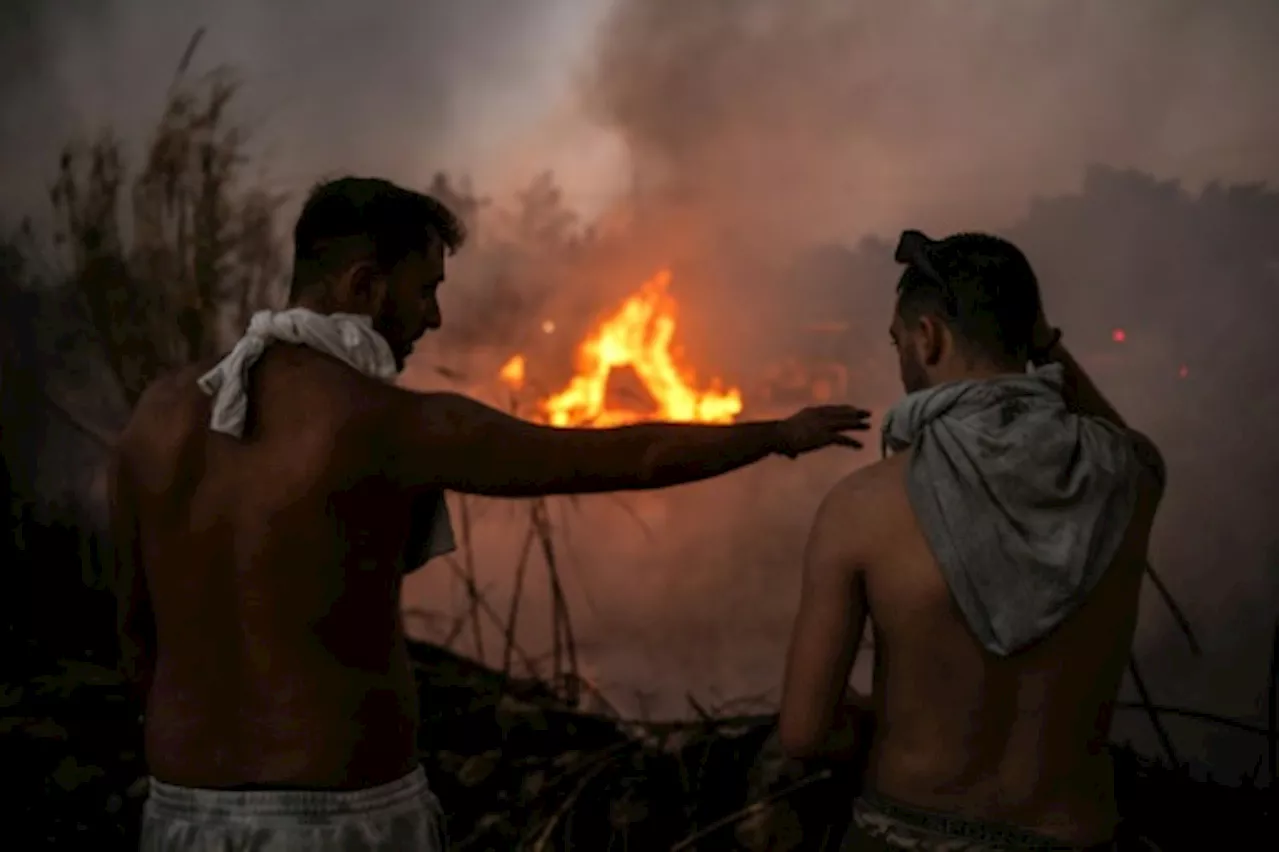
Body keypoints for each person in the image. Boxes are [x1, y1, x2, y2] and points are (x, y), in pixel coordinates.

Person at [108, 176, 873, 852]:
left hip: (181, 814)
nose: (434, 319)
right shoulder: (380, 424)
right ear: (366, 285)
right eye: (424, 291)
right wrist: (776, 435)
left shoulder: (157, 419)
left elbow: (136, 628)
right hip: (335, 820)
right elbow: (617, 459)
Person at [777, 231, 1167, 851]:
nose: (900, 356)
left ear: (927, 337)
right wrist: (1040, 342)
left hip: (904, 835)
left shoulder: (860, 507)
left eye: (898, 341)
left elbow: (804, 733)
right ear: (1031, 335)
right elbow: (1122, 439)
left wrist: (904, 725)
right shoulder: (1128, 480)